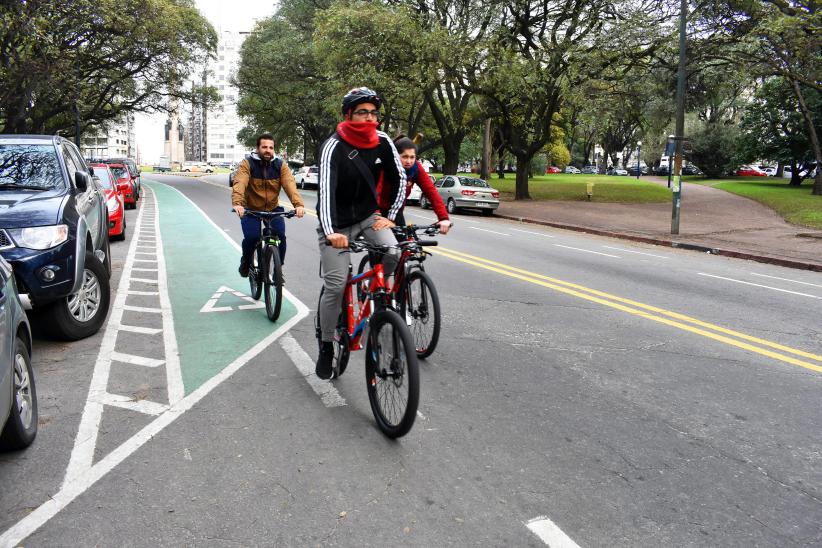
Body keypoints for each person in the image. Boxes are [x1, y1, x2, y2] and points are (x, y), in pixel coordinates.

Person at [315, 87, 406, 379]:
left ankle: (374, 288)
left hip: (369, 217)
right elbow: (324, 193)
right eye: (362, 113)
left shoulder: (382, 141)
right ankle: (327, 344)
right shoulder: (333, 146)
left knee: (393, 250)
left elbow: (400, 178)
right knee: (337, 284)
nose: (369, 118)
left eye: (373, 113)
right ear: (348, 115)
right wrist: (331, 232)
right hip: (337, 224)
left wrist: (389, 217)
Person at [231, 133, 305, 278]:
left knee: (280, 236)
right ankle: (246, 261)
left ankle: (278, 269)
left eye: (271, 147)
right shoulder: (248, 164)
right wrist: (238, 203)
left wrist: (298, 205)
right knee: (252, 237)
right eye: (264, 147)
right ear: (257, 148)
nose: (268, 150)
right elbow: (240, 183)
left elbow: (290, 185)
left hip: (272, 208)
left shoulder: (280, 165)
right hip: (250, 209)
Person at [377, 135, 451, 233]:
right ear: (395, 155)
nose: (409, 161)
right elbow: (375, 191)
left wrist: (443, 218)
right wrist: (377, 216)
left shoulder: (416, 168)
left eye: (412, 157)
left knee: (405, 244)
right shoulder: (384, 166)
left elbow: (431, 191)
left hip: (396, 212)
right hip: (375, 211)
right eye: (405, 157)